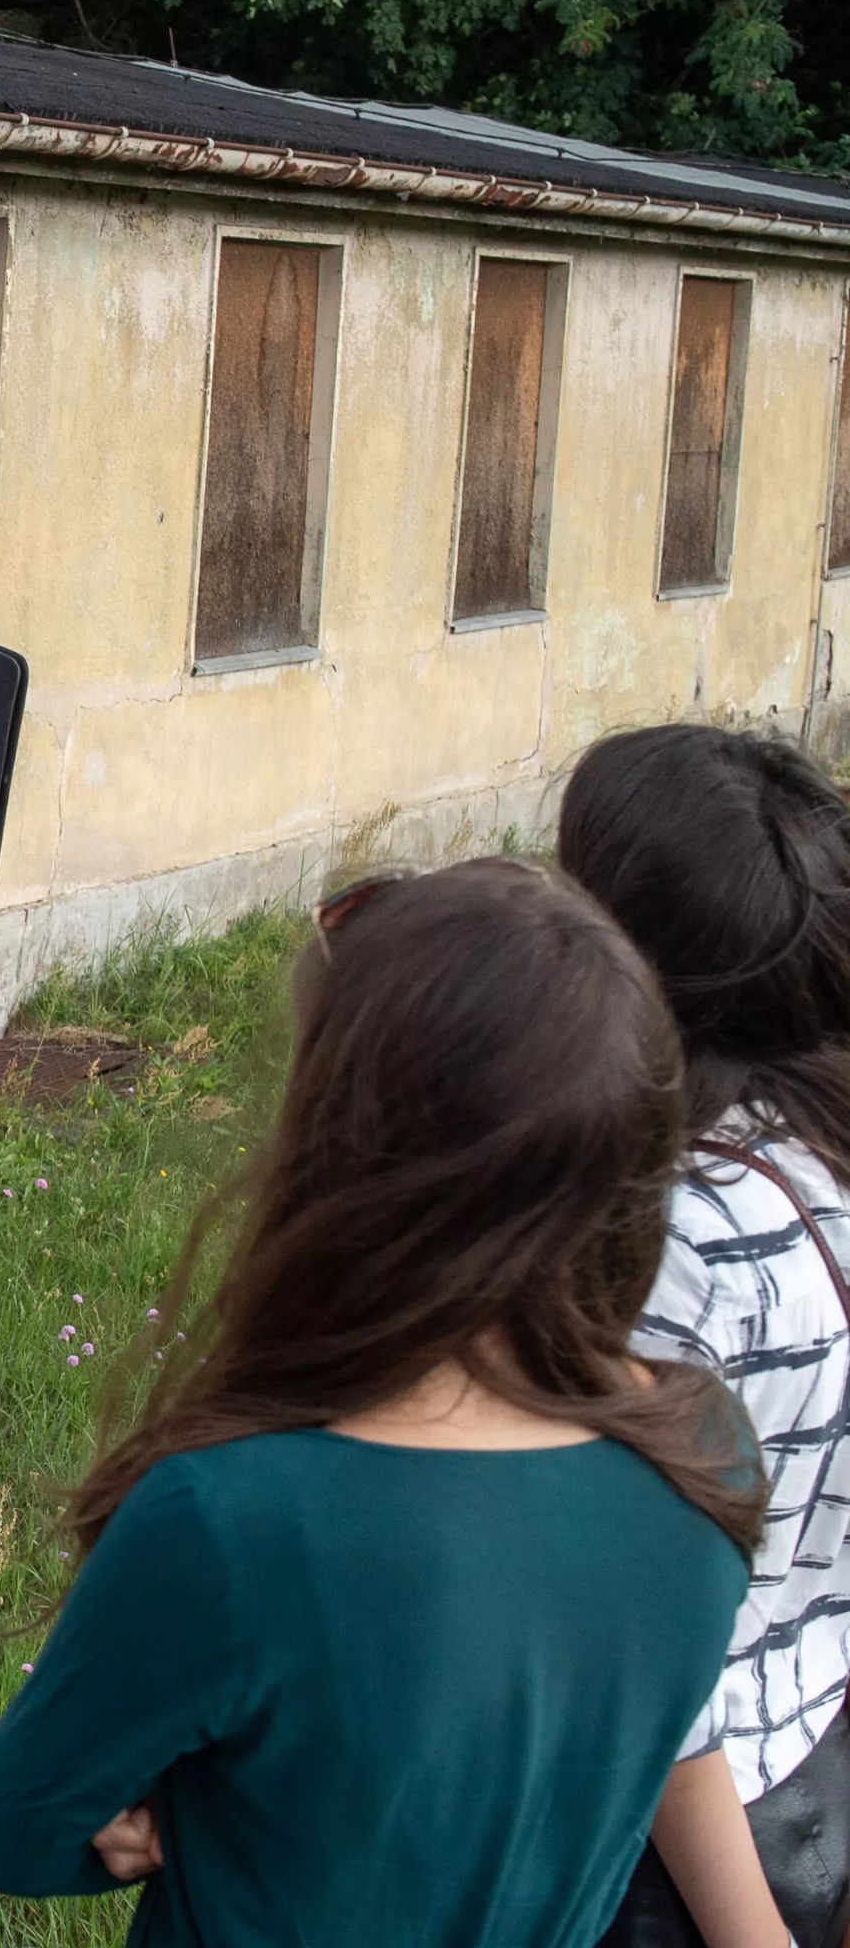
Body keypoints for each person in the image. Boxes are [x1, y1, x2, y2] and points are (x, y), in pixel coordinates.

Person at [0, 859, 759, 1946]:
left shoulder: (230, 1515)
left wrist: (154, 1815)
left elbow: (18, 1827)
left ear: (344, 1147)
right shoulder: (709, 1450)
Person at [560, 726, 850, 1948]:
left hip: (684, 1863)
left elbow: (645, 1653)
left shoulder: (672, 1244)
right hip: (813, 1771)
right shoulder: (820, 1153)